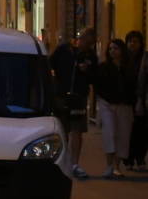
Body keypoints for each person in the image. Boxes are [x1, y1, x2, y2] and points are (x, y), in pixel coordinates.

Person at [50, 28, 98, 178]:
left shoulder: (91, 56)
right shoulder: (63, 50)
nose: (88, 45)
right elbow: (50, 65)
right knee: (63, 130)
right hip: (62, 96)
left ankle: (75, 163)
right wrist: (54, 83)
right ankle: (62, 161)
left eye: (91, 43)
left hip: (79, 97)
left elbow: (94, 78)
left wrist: (86, 71)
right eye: (86, 42)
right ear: (80, 38)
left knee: (77, 131)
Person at [96, 38, 136, 179]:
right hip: (108, 104)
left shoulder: (129, 67)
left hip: (125, 105)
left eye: (116, 48)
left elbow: (133, 86)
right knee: (110, 133)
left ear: (122, 50)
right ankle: (109, 166)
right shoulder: (104, 67)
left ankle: (117, 166)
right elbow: (98, 86)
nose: (113, 51)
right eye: (111, 48)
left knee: (123, 135)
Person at [128, 31, 146, 172]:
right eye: (130, 41)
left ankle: (140, 158)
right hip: (127, 99)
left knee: (141, 130)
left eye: (135, 41)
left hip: (141, 99)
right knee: (128, 131)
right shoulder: (124, 59)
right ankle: (129, 159)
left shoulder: (145, 58)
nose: (132, 44)